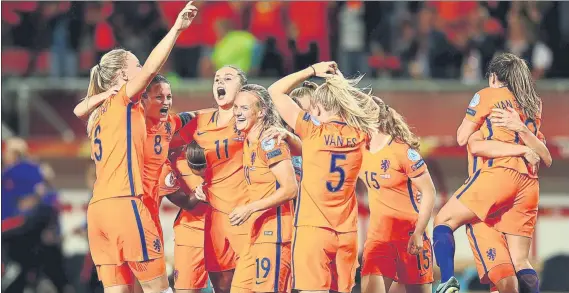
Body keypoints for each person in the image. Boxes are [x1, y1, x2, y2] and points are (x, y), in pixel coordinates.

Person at [73, 3, 198, 292]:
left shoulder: (99, 112)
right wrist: (176, 29)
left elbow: (80, 108)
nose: (144, 71)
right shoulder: (122, 100)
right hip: (125, 204)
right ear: (122, 77)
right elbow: (155, 64)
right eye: (137, 67)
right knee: (159, 289)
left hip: (97, 211)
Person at [171, 65, 300, 293]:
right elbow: (164, 150)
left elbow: (296, 167)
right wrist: (191, 188)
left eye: (228, 78)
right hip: (218, 220)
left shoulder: (262, 132)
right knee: (223, 287)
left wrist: (290, 137)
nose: (219, 82)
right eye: (216, 78)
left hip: (253, 219)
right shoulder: (200, 123)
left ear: (243, 89)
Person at [433, 53, 550, 293]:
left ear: (494, 77)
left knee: (442, 220)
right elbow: (543, 153)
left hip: (498, 178)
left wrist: (475, 128)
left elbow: (463, 138)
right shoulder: (533, 103)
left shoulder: (487, 96)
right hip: (528, 184)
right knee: (518, 263)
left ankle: (446, 282)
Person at [268, 61, 379, 293]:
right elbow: (374, 109)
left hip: (313, 229)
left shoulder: (311, 130)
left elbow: (274, 90)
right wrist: (342, 85)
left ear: (316, 109)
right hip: (347, 233)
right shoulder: (359, 134)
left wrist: (312, 70)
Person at [359, 96, 437, 293]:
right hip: (379, 239)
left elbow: (429, 192)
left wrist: (419, 232)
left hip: (409, 237)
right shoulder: (360, 151)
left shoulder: (402, 151)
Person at [230, 84, 298, 293]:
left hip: (275, 236)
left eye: (244, 108)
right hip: (255, 235)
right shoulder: (247, 141)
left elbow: (290, 189)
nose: (237, 113)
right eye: (236, 107)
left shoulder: (270, 142)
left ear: (261, 112)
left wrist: (250, 208)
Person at [158, 141, 210, 293]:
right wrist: (204, 188)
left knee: (227, 287)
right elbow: (186, 202)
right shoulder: (165, 164)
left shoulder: (229, 142)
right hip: (191, 231)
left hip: (228, 228)